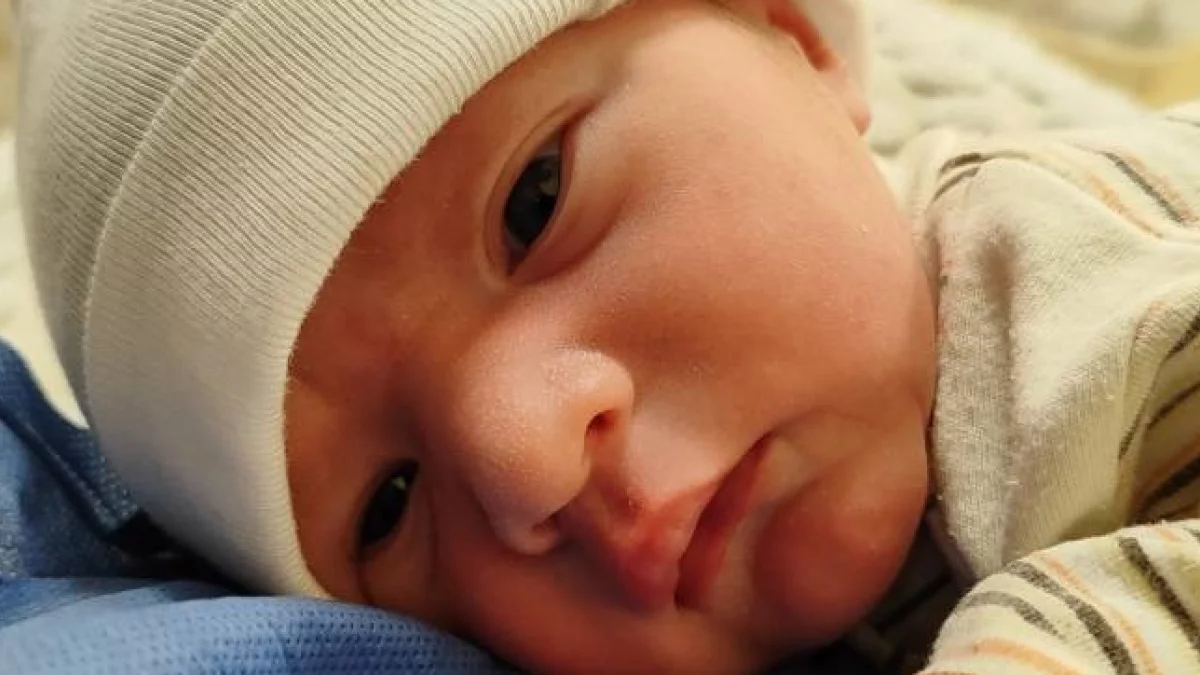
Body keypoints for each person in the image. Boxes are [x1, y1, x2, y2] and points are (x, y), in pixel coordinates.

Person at [10, 0, 1200, 671]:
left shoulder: (1073, 251)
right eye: (386, 506)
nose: (526, 459)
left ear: (791, 31)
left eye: (533, 203)